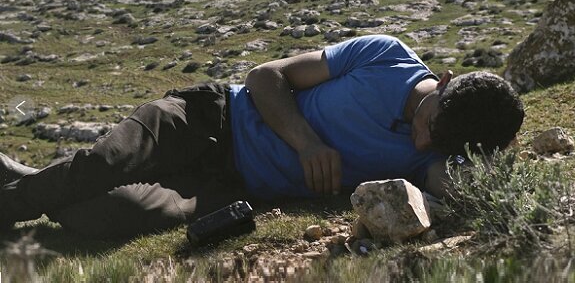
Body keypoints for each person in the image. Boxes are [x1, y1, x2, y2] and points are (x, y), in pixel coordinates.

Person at [0, 34, 524, 238]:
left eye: (441, 145)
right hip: (209, 117)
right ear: (445, 81)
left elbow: (461, 187)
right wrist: (307, 143)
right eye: (431, 125)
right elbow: (265, 76)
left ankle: (26, 181)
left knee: (115, 217)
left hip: (231, 187)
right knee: (107, 163)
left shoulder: (432, 158)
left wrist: (496, 152)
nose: (423, 143)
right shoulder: (385, 56)